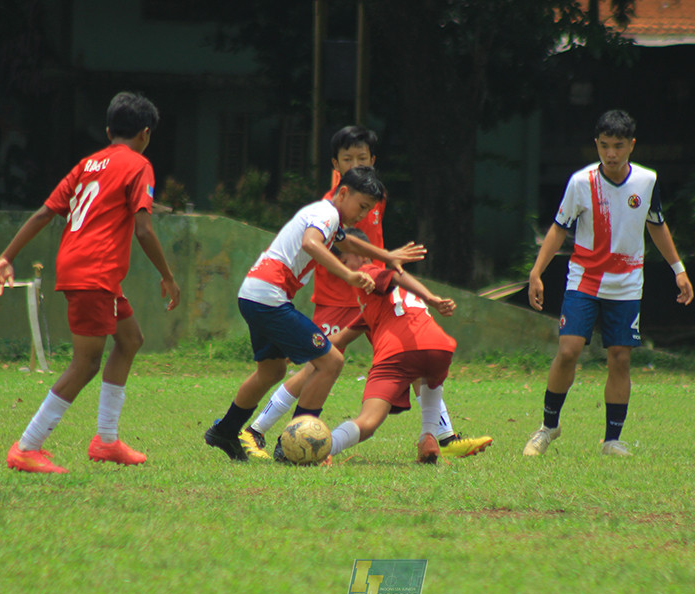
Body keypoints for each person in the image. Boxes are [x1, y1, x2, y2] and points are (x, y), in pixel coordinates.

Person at [240, 126, 488, 459]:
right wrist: (355, 274)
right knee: (317, 366)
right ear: (335, 165)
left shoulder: (374, 197)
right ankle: (255, 429)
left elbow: (366, 245)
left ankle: (442, 436)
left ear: (373, 160)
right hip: (337, 298)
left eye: (362, 158)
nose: (356, 164)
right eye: (347, 159)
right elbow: (329, 247)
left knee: (410, 354)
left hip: (372, 296)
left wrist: (387, 260)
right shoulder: (330, 206)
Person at [0, 91, 181, 474]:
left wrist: (7, 256)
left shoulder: (87, 165)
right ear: (145, 133)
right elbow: (144, 229)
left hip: (85, 268)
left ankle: (107, 441)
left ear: (109, 131)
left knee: (130, 339)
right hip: (96, 271)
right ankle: (27, 446)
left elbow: (45, 213)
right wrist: (168, 275)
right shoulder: (139, 165)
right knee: (86, 363)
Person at [204, 165, 426, 461]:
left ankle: (225, 431)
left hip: (254, 294)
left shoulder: (327, 217)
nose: (363, 215)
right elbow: (310, 243)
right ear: (343, 193)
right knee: (331, 361)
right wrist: (348, 275)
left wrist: (386, 255)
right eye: (361, 206)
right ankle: (291, 446)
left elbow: (346, 242)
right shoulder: (327, 214)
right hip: (269, 296)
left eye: (368, 210)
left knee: (272, 371)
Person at [523, 109, 693, 457]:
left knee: (619, 358)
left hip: (627, 284)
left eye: (618, 146)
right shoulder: (580, 182)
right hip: (584, 280)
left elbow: (656, 224)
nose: (611, 154)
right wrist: (536, 272)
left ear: (632, 145)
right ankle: (548, 427)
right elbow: (559, 228)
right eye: (604, 146)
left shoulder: (646, 181)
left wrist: (678, 269)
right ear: (596, 145)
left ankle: (612, 440)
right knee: (568, 351)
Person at [286, 236, 480, 464]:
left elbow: (395, 274)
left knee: (368, 422)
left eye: (344, 263)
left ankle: (325, 450)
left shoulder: (369, 272)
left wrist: (431, 298)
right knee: (426, 377)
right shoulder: (377, 303)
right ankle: (428, 436)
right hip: (439, 348)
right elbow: (339, 338)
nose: (342, 272)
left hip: (398, 353)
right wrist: (301, 349)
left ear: (361, 256)